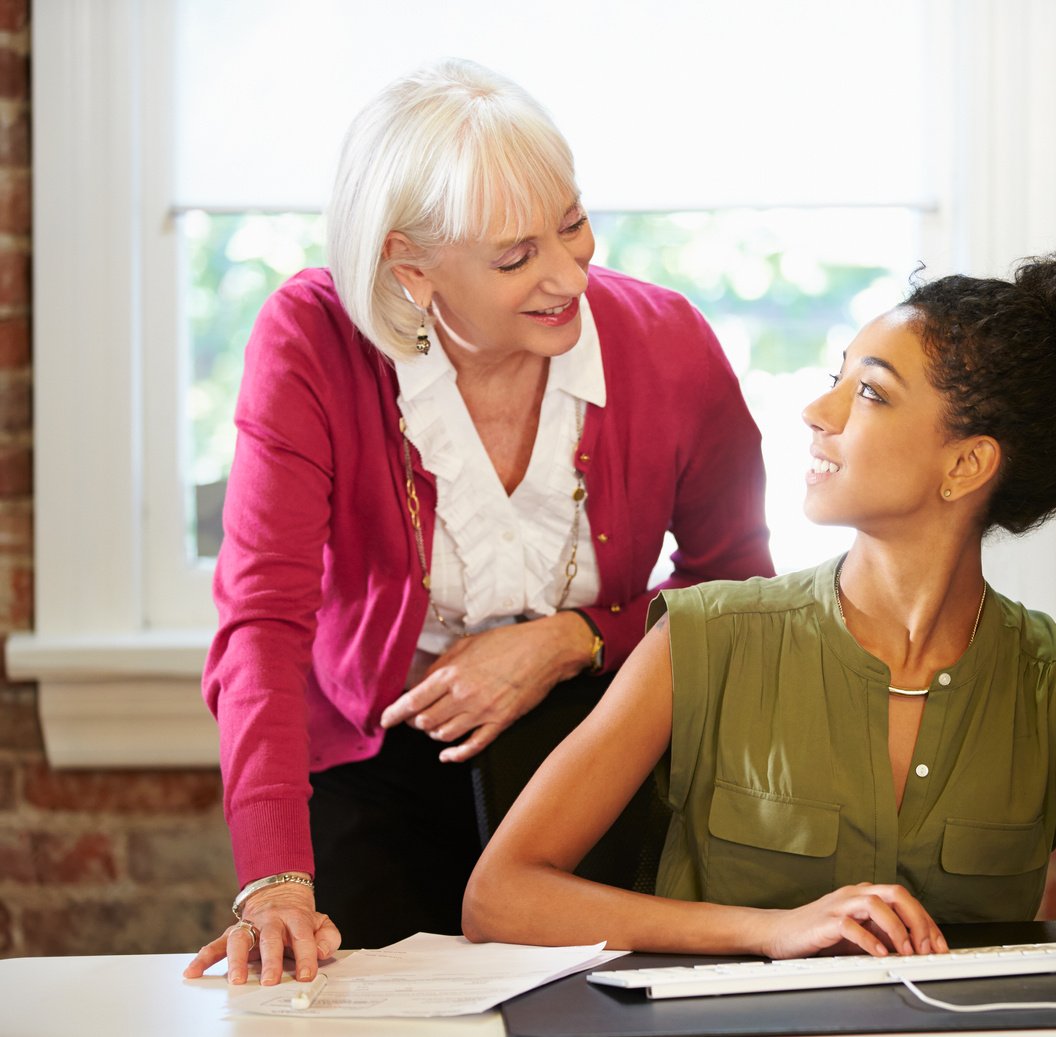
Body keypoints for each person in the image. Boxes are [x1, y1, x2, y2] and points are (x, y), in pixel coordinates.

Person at [182, 59, 773, 986]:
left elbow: (739, 586)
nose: (568, 274)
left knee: (595, 1006)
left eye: (572, 223)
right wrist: (275, 881)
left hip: (598, 740)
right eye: (514, 256)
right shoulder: (311, 337)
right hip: (372, 740)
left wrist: (571, 639)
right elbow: (263, 621)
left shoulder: (669, 342)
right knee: (359, 996)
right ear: (409, 268)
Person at [462, 252, 1056, 958]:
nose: (818, 411)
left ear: (966, 464)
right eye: (837, 377)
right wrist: (772, 929)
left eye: (871, 392)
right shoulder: (704, 639)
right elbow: (500, 896)